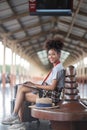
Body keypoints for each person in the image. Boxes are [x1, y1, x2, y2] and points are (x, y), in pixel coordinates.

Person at [1, 38, 65, 129]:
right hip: (46, 93)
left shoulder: (58, 69)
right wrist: (32, 84)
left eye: (53, 54)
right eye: (49, 54)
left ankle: (17, 118)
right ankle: (16, 118)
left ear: (59, 54)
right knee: (21, 87)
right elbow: (48, 84)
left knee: (21, 91)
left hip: (50, 98)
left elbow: (52, 87)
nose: (50, 56)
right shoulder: (57, 67)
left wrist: (35, 85)